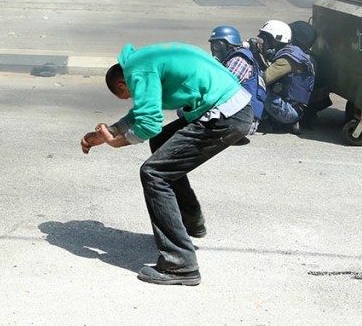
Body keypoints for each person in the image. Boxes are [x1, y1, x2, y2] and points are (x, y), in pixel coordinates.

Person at [80, 42, 252, 286]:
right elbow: (142, 114)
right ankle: (190, 218)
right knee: (163, 141)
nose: (132, 98)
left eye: (127, 95)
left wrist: (116, 142)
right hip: (231, 107)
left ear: (121, 84)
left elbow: (148, 124)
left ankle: (180, 263)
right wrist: (109, 132)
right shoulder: (145, 61)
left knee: (153, 173)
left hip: (223, 115)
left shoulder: (138, 71)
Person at [248, 20, 316, 133]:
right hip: (289, 107)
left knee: (256, 90)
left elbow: (262, 80)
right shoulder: (290, 52)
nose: (261, 43)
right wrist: (257, 54)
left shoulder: (287, 59)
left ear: (275, 41)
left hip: (289, 112)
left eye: (264, 39)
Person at [209, 25, 266, 136]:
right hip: (238, 115)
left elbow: (221, 88)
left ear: (228, 44)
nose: (214, 49)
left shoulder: (239, 60)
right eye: (213, 45)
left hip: (243, 121)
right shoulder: (231, 58)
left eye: (217, 46)